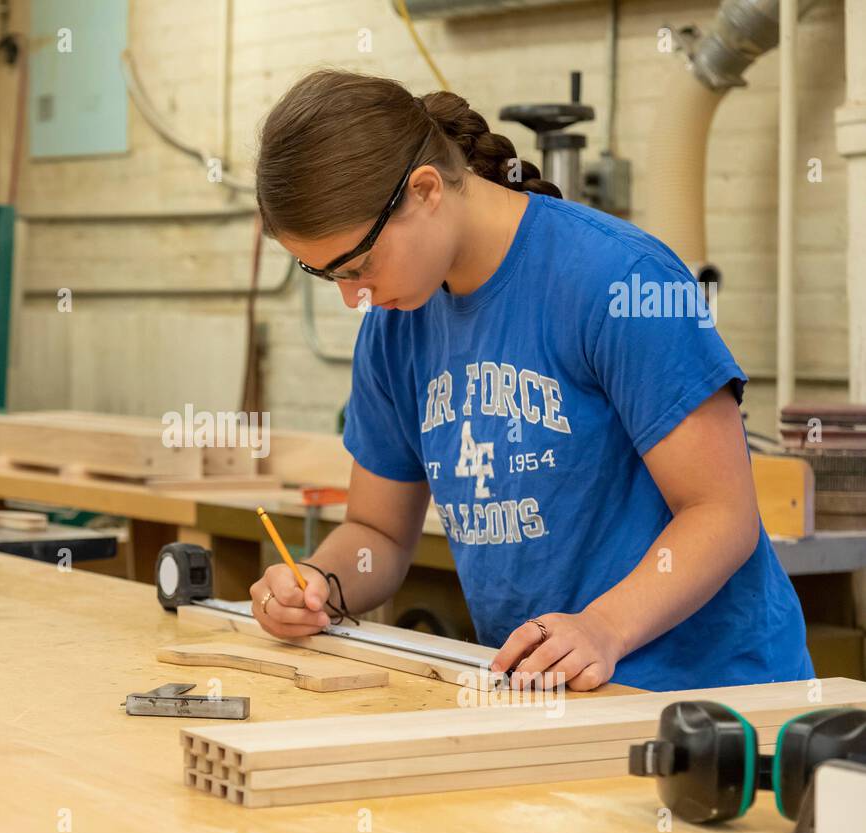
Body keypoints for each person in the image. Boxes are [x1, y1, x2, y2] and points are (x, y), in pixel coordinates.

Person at [248, 70, 813, 692]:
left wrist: (602, 627)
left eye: (359, 266)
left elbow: (721, 514)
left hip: (716, 698)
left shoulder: (620, 280)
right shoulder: (395, 326)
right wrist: (318, 584)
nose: (354, 296)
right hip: (553, 697)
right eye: (329, 276)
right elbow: (376, 533)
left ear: (426, 190)